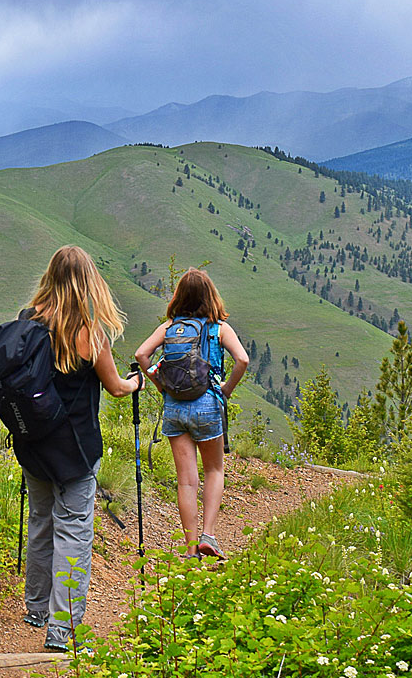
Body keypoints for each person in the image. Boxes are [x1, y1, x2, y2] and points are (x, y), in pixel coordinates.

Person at [14, 245, 142, 652]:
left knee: (41, 522)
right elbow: (116, 387)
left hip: (33, 444)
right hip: (76, 451)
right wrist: (136, 383)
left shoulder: (28, 323)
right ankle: (63, 630)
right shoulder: (91, 333)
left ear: (49, 277)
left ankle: (36, 608)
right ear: (89, 281)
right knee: (73, 531)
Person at [135, 268, 249, 560]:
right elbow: (242, 360)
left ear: (179, 296)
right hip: (208, 405)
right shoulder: (219, 328)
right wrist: (226, 390)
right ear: (210, 296)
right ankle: (208, 536)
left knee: (186, 480)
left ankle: (189, 548)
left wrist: (161, 386)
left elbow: (141, 356)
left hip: (175, 408)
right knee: (214, 470)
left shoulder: (170, 327)